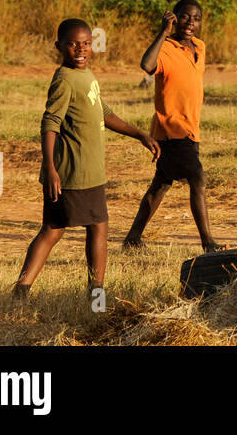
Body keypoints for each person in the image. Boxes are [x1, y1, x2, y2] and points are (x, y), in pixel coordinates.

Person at [13, 19, 158, 299]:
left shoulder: (86, 74)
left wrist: (140, 134)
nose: (80, 49)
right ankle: (96, 298)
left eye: (86, 44)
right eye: (72, 44)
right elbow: (50, 123)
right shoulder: (64, 79)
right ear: (59, 47)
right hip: (73, 172)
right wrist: (51, 169)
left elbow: (104, 112)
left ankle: (22, 291)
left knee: (58, 229)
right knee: (92, 228)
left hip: (87, 170)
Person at [123, 0, 222, 251]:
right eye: (185, 17)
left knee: (162, 182)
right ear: (175, 18)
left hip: (190, 128)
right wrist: (162, 33)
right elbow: (146, 66)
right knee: (197, 177)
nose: (191, 22)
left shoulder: (199, 46)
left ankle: (133, 238)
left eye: (196, 17)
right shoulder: (165, 48)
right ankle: (208, 243)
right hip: (171, 129)